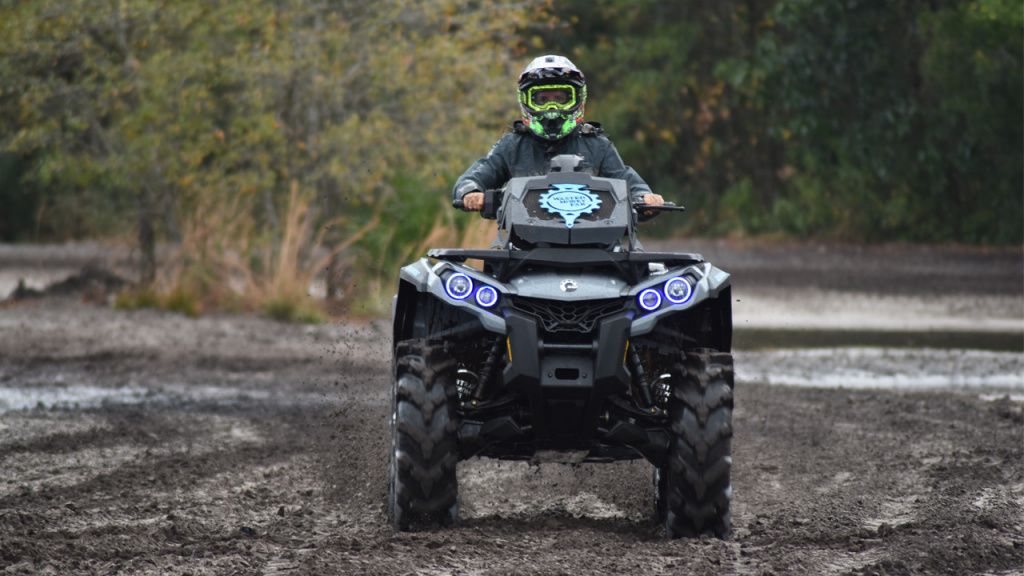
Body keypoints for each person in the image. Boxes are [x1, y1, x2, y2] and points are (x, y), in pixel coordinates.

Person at [452, 55, 664, 212]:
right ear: (525, 101)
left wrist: (644, 197)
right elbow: (473, 177)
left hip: (598, 248)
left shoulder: (598, 145)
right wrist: (470, 193)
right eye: (542, 99)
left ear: (578, 99)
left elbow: (627, 180)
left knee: (643, 269)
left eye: (561, 98)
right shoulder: (511, 145)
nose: (551, 107)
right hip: (521, 249)